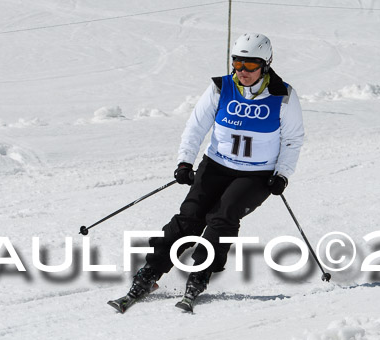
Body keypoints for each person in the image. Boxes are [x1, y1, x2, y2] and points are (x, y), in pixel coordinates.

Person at [124, 32, 305, 305]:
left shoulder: (284, 96)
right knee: (190, 218)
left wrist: (282, 174)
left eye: (251, 65)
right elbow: (196, 126)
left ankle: (200, 272)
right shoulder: (221, 87)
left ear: (266, 64)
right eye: (238, 63)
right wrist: (185, 161)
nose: (242, 71)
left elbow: (293, 139)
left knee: (223, 216)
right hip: (216, 165)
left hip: (256, 174)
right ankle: (151, 271)